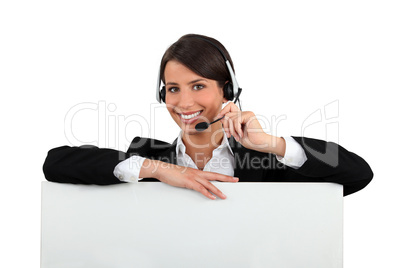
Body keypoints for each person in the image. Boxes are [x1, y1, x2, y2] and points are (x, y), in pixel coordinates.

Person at [43, 34, 373, 200]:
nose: (183, 102)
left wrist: (271, 144)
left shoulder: (268, 162)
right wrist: (160, 170)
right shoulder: (147, 155)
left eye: (198, 85)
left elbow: (358, 175)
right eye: (172, 89)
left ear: (228, 90)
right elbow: (55, 162)